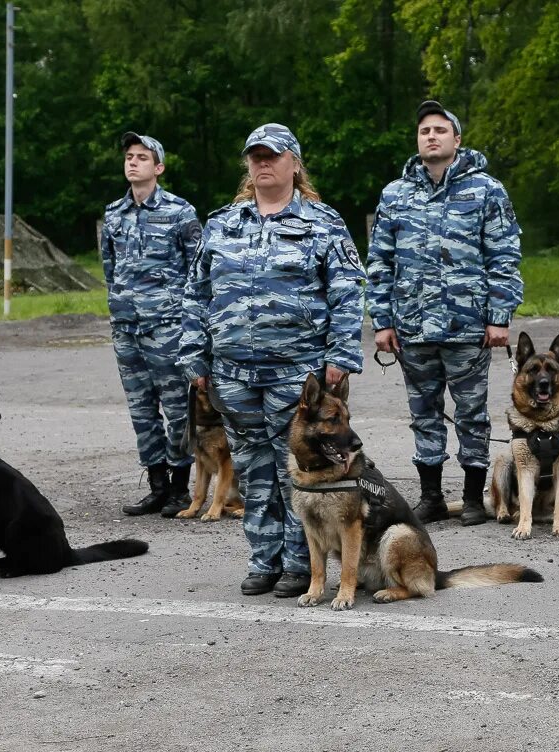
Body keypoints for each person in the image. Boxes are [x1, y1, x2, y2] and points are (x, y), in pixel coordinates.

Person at [178, 123, 363, 598]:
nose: (263, 163)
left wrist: (340, 356)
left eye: (273, 156)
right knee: (252, 465)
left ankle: (302, 563)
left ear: (294, 164)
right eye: (255, 156)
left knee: (298, 468)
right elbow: (196, 295)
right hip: (235, 372)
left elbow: (345, 295)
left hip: (299, 375)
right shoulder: (222, 224)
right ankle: (264, 559)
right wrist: (195, 357)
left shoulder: (323, 223)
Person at [365, 100, 523, 526]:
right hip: (412, 327)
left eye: (439, 130)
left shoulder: (486, 191)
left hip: (467, 326)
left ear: (457, 139)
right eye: (423, 131)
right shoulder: (395, 194)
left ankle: (473, 498)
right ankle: (431, 496)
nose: (430, 136)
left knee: (472, 413)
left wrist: (499, 315)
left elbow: (504, 257)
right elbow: (379, 261)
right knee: (424, 414)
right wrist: (381, 321)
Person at [101, 132, 200, 518]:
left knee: (177, 410)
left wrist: (192, 326)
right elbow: (110, 269)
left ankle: (179, 486)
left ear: (158, 167)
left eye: (142, 157)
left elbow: (198, 272)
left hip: (168, 329)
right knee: (141, 411)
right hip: (127, 328)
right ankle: (157, 485)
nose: (133, 162)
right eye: (129, 156)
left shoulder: (179, 212)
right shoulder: (114, 213)